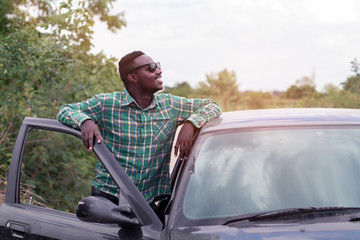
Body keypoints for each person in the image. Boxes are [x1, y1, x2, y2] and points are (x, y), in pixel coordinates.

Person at [56, 51, 222, 209]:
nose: (159, 71)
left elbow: (212, 105)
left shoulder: (170, 105)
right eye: (151, 67)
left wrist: (191, 123)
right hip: (108, 197)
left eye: (157, 65)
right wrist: (85, 120)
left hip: (147, 202)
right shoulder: (106, 103)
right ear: (133, 77)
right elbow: (65, 111)